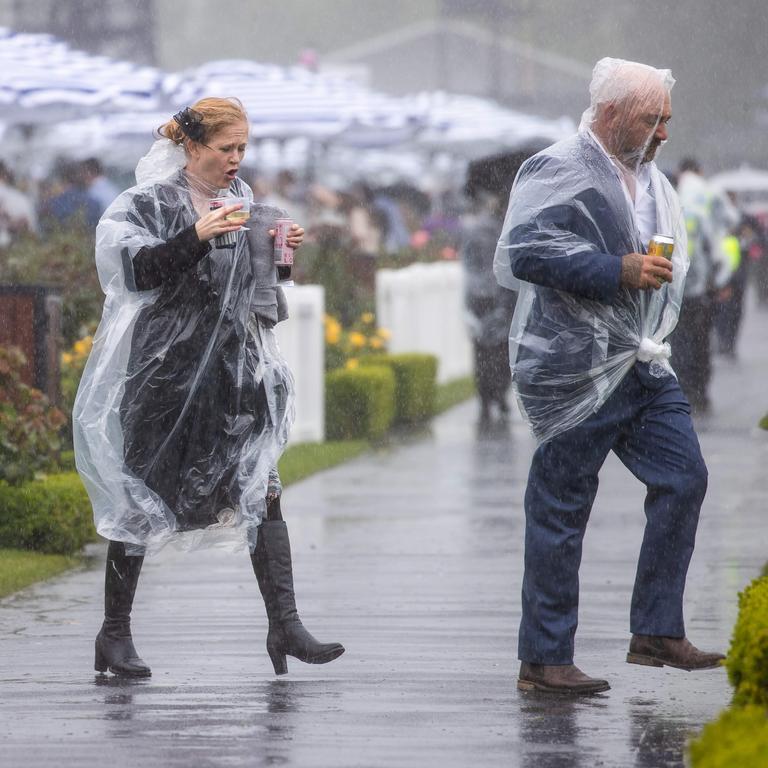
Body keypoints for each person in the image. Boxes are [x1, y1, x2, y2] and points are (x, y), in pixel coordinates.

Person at [73, 97, 344, 678]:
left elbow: (255, 291)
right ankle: (113, 634)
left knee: (259, 482)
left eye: (243, 149)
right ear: (192, 147)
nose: (237, 160)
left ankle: (286, 624)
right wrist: (195, 234)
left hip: (232, 369)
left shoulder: (242, 201)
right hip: (164, 373)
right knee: (139, 499)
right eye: (227, 149)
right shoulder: (145, 203)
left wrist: (282, 257)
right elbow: (131, 275)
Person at [494, 58, 724, 695]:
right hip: (574, 367)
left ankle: (655, 630)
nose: (663, 134)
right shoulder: (557, 167)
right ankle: (543, 658)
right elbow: (525, 251)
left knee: (684, 477)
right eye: (654, 120)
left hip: (640, 360)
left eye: (667, 121)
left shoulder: (650, 179)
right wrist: (616, 270)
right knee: (562, 507)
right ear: (613, 112)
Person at [460, 152, 527, 425]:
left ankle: (496, 395)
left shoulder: (508, 228)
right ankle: (487, 397)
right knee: (486, 350)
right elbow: (472, 264)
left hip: (504, 297)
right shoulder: (481, 230)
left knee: (500, 351)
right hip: (485, 297)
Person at [669, 157, 737, 413]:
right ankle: (699, 393)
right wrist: (720, 280)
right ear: (699, 170)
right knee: (700, 342)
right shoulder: (708, 194)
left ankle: (685, 391)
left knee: (681, 342)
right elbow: (726, 231)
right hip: (703, 288)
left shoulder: (673, 194)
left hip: (678, 285)